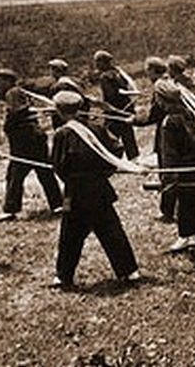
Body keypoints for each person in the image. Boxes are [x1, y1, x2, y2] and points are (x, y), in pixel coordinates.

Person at [49, 90, 141, 288]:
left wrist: (74, 178)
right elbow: (116, 150)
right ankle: (129, 271)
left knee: (70, 235)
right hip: (100, 190)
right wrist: (103, 173)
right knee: (112, 230)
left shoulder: (62, 134)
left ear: (60, 111)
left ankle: (63, 276)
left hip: (76, 193)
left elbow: (58, 166)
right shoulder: (96, 128)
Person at [0, 68, 63, 221]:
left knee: (14, 175)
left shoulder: (12, 93)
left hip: (25, 141)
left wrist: (10, 120)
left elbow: (18, 111)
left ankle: (10, 210)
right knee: (44, 173)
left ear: (7, 81)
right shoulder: (19, 92)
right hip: (33, 139)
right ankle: (57, 204)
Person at [156, 80, 195, 256]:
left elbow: (169, 153)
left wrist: (168, 176)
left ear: (162, 100)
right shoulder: (188, 112)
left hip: (184, 168)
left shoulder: (169, 122)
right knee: (187, 204)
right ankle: (187, 234)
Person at [133, 57, 174, 221]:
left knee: (166, 171)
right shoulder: (168, 81)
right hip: (168, 128)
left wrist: (135, 120)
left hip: (167, 131)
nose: (146, 74)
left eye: (147, 70)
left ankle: (168, 211)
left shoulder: (160, 87)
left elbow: (153, 115)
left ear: (152, 70)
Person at [93, 49, 139, 160]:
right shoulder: (118, 73)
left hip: (114, 111)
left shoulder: (105, 77)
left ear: (104, 63)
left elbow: (111, 95)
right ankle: (134, 158)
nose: (96, 64)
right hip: (125, 109)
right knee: (127, 134)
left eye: (97, 62)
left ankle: (111, 159)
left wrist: (102, 106)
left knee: (109, 137)